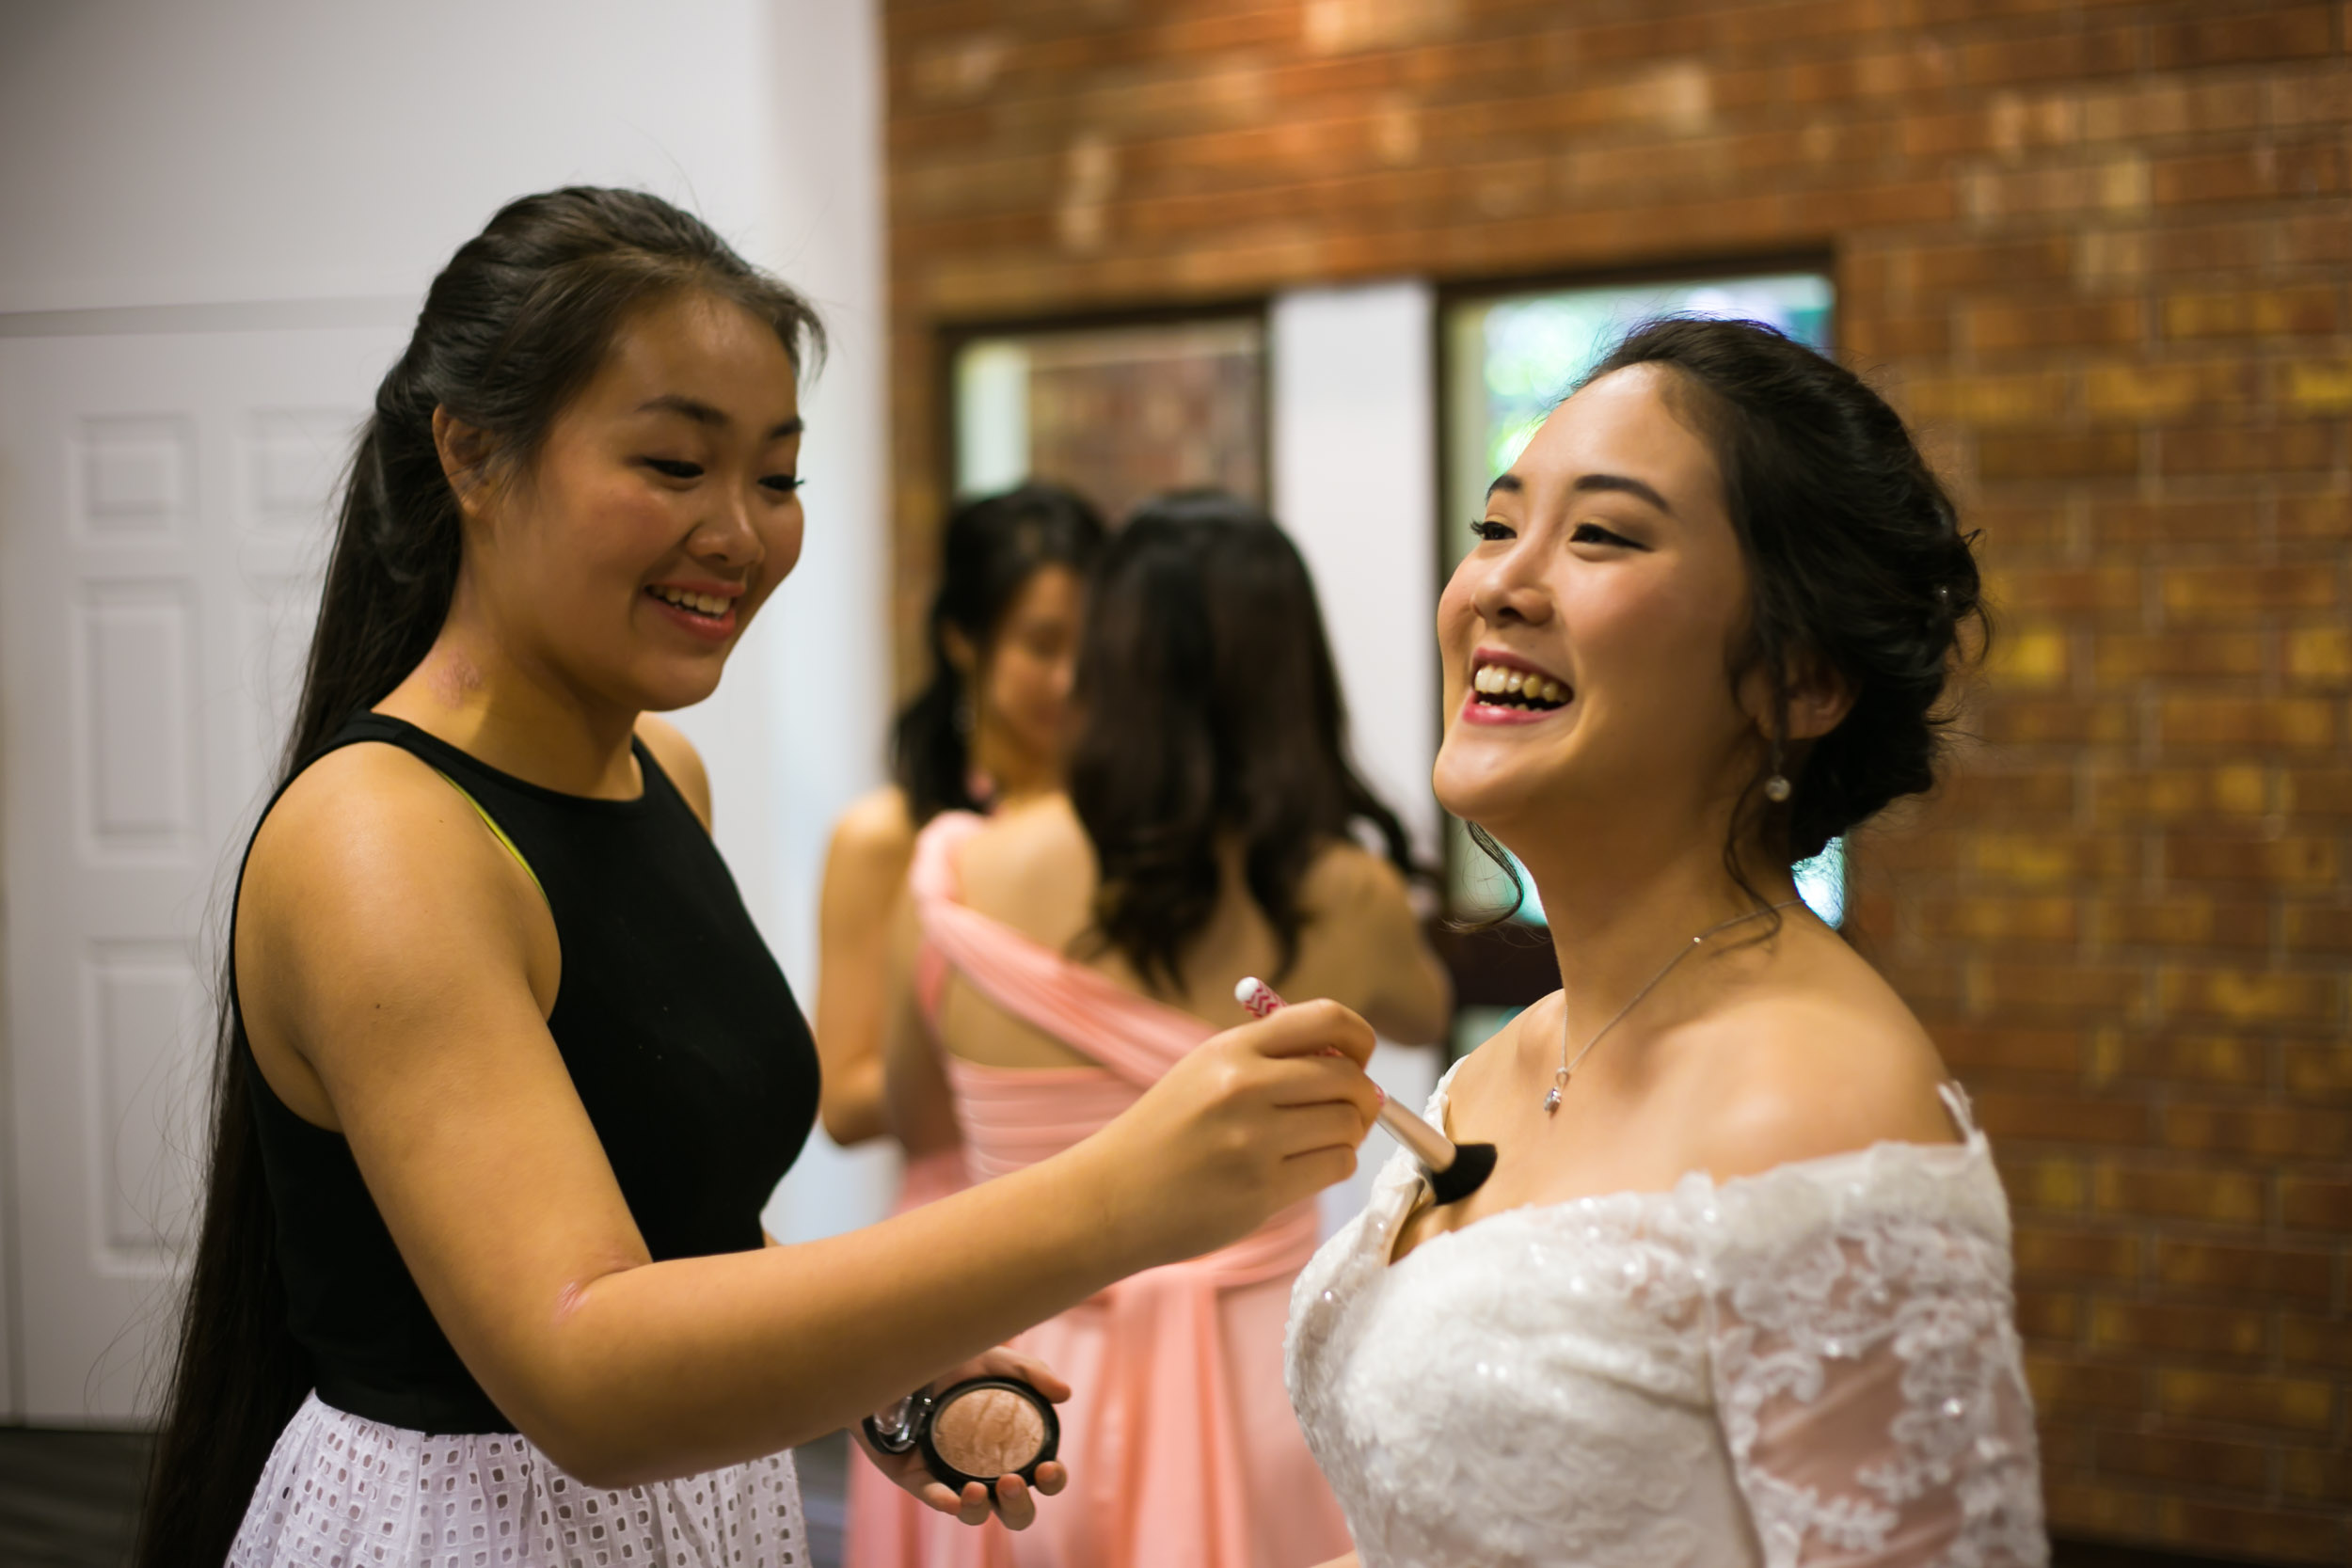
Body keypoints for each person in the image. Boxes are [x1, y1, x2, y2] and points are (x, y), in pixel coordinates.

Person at [134, 188, 1383, 1568]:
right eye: (675, 465)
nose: (740, 531)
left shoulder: (665, 774)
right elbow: (587, 1373)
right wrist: (1114, 1198)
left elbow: (682, 1228)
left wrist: (889, 1370)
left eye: (777, 478)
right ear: (473, 455)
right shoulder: (381, 837)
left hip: (703, 1501)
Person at [1285, 319, 2048, 1567]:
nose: (1499, 586)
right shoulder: (1499, 1069)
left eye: (1601, 534)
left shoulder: (1818, 1106)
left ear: (1802, 681)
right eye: (1495, 526)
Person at [885, 493, 1454, 1568]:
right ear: (1291, 679)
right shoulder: (1346, 893)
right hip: (1263, 1374)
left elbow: (918, 1121)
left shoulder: (955, 872)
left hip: (1014, 1382)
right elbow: (1422, 1008)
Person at [823, 483, 1105, 1568]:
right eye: (1043, 642)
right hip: (955, 1234)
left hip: (1110, 1240)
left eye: (1097, 646)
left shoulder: (1133, 839)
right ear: (962, 640)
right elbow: (847, 1101)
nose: (1073, 680)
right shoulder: (889, 836)